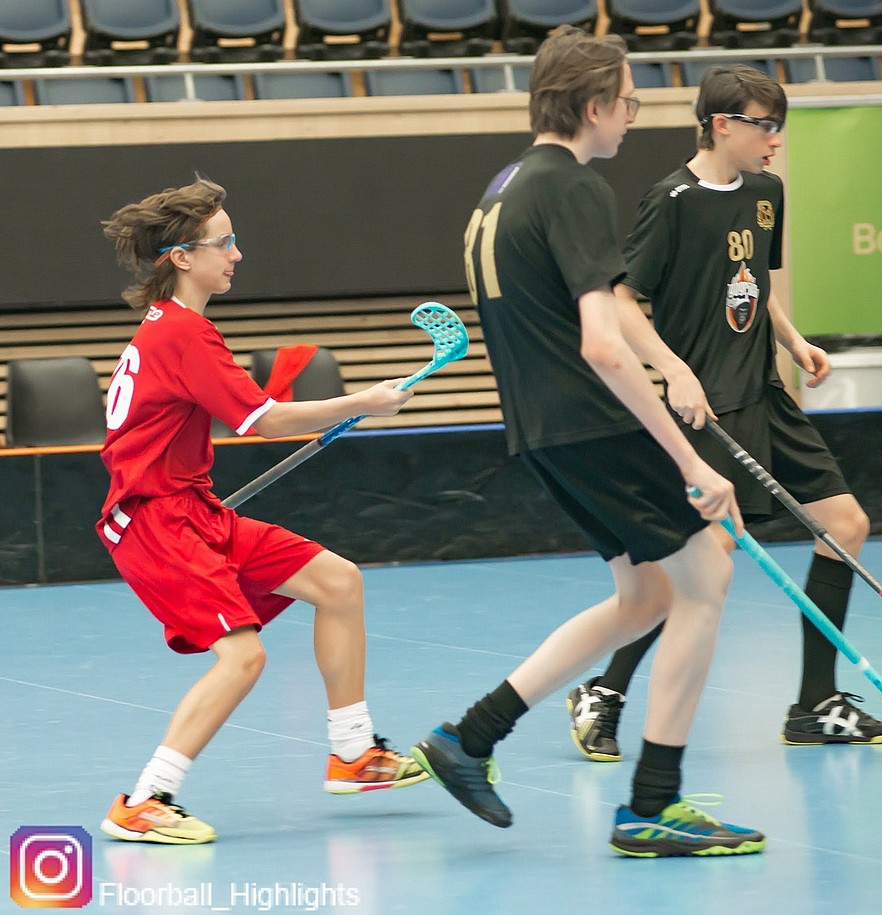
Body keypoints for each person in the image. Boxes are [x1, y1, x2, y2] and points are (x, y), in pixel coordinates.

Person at [410, 26, 766, 858]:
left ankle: (470, 736)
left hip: (542, 431)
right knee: (707, 576)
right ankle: (653, 803)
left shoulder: (502, 189)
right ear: (595, 104)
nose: (633, 118)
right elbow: (602, 344)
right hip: (593, 421)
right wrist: (690, 461)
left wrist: (670, 366)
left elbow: (580, 315)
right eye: (630, 103)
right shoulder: (574, 187)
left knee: (646, 596)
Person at [566, 65, 882, 764]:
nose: (776, 140)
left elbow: (750, 279)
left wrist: (793, 339)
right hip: (708, 410)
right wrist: (674, 369)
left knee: (845, 525)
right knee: (707, 560)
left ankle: (815, 704)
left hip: (766, 393)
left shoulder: (765, 191)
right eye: (765, 125)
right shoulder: (673, 201)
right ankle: (604, 689)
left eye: (780, 126)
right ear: (722, 124)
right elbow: (622, 298)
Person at [96, 177, 428, 845]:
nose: (237, 254)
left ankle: (354, 751)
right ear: (182, 257)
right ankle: (146, 800)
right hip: (156, 521)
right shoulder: (183, 333)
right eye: (224, 243)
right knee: (242, 658)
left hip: (192, 510)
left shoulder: (170, 327)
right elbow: (266, 421)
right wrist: (363, 402)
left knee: (338, 581)